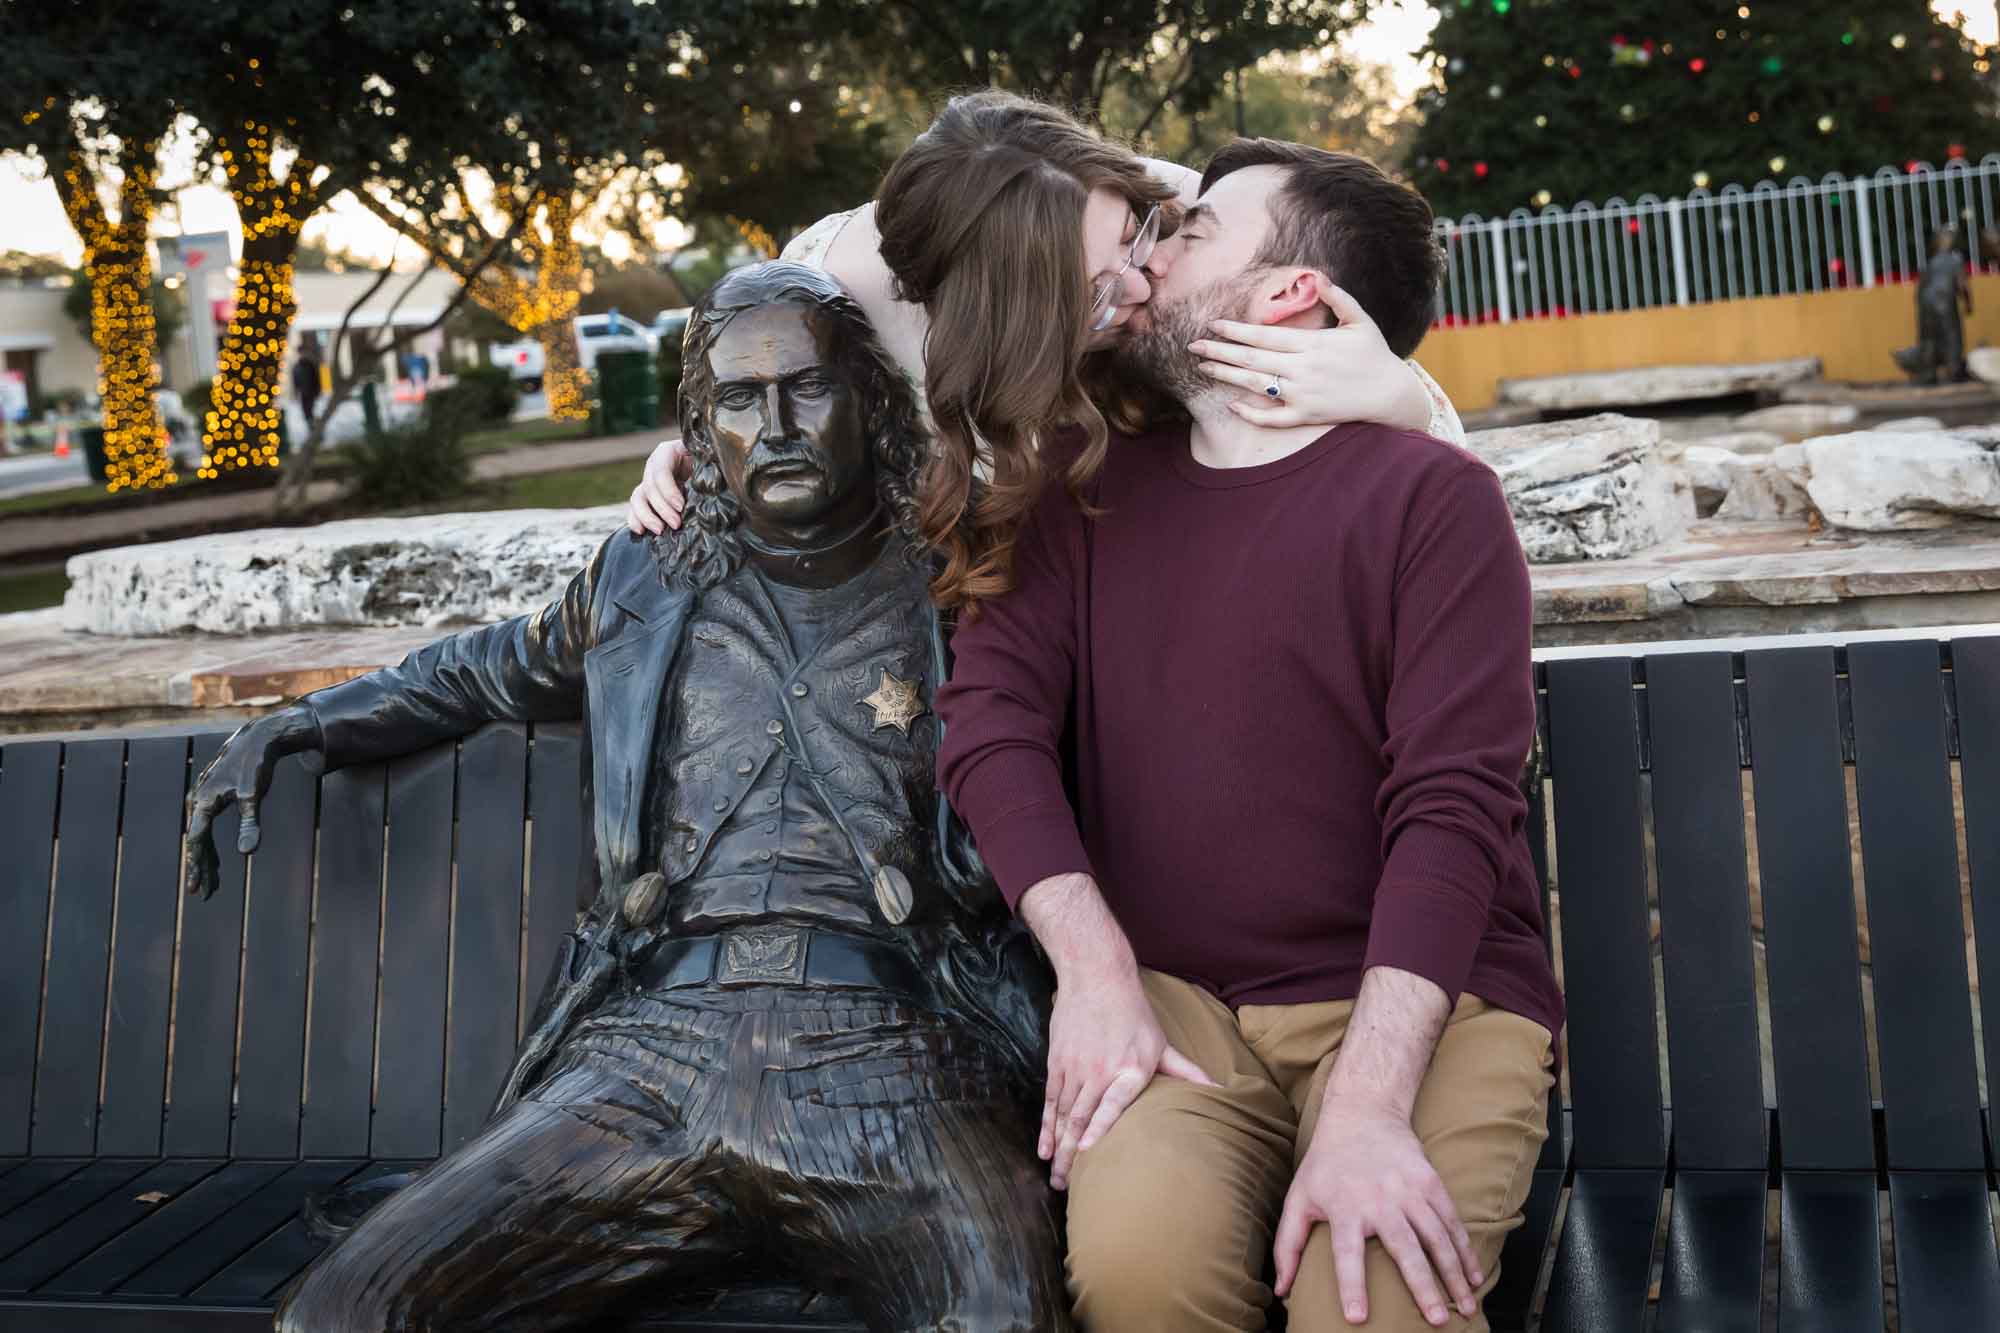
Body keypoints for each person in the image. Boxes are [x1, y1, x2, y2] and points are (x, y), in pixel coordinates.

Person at [185, 262, 1070, 1332]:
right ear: (701, 428)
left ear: (869, 400)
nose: (776, 424)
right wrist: (297, 722)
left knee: (998, 1312)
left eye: (808, 387)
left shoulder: (961, 576)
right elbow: (472, 671)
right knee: (347, 1312)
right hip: (644, 1059)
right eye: (739, 399)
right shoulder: (640, 583)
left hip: (895, 1051)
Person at [935, 140, 1564, 1332]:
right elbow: (990, 724)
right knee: (1138, 1282)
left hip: (1416, 1004)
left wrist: (1369, 1109)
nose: (1149, 255)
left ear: (1288, 295)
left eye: (1193, 232)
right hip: (1174, 1009)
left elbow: (1450, 808)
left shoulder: (1432, 502)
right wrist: (1095, 972)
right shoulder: (1084, 486)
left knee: (1370, 1300)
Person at [626, 90, 1466, 609]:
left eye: (1139, 240)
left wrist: (1398, 397)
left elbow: (1360, 329)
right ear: (1007, 324)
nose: (1143, 285)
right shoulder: (818, 310)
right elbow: (771, 439)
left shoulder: (1130, 199)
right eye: (1098, 292)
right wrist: (717, 463)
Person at [1917, 226, 1973, 384]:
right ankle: (1954, 372)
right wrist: (1969, 304)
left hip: (1926, 302)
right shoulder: (1955, 260)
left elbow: (1921, 288)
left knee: (1928, 338)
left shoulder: (1931, 262)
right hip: (1945, 300)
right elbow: (1963, 285)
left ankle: (1928, 375)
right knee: (1952, 336)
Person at [290, 341, 323, 427]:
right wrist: (296, 393)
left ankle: (316, 429)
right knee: (306, 413)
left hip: (312, 392)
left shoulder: (311, 365)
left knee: (312, 411)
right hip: (303, 394)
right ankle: (312, 429)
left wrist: (318, 391)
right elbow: (295, 382)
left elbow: (317, 379)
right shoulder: (296, 366)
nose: (302, 354)